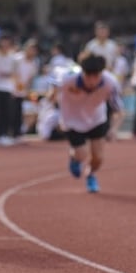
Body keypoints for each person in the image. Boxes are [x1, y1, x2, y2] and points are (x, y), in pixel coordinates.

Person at [55, 54, 124, 193]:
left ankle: (90, 174)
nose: (92, 81)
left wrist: (114, 129)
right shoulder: (68, 78)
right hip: (71, 120)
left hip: (97, 119)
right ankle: (75, 158)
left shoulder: (110, 83)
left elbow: (119, 111)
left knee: (98, 158)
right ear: (82, 72)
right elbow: (54, 80)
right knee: (82, 154)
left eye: (96, 76)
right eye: (88, 76)